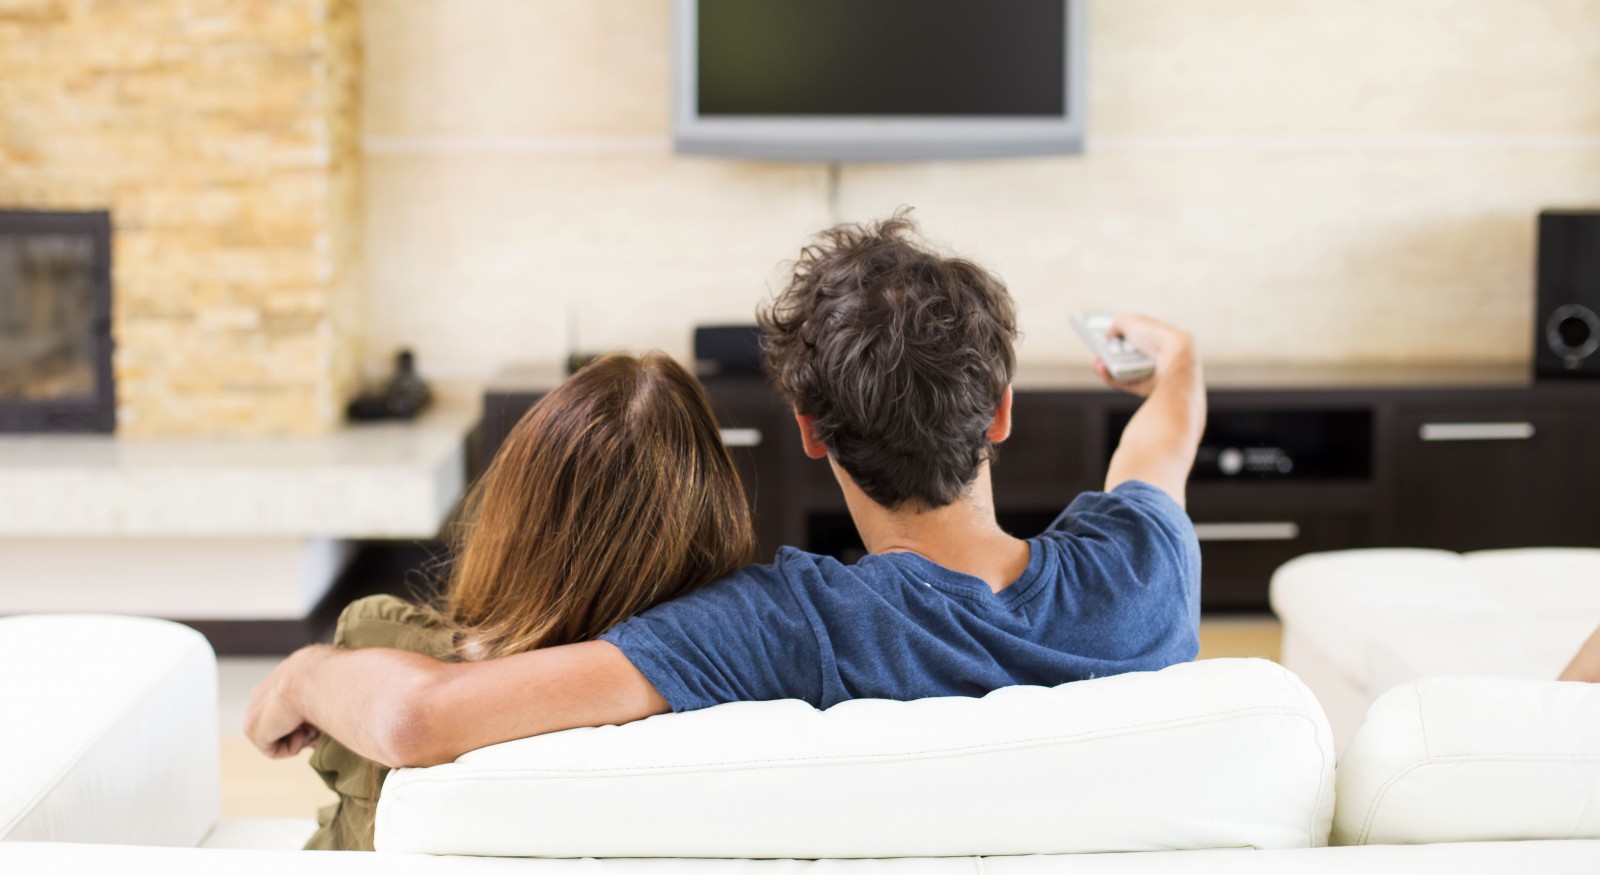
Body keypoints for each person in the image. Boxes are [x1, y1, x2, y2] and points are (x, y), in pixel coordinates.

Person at [247, 212, 1207, 769]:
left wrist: (304, 673)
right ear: (999, 412)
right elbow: (1159, 448)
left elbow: (423, 719)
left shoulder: (786, 625)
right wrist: (1177, 364)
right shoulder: (1145, 568)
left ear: (807, 429)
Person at [300, 351, 754, 849]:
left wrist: (301, 677)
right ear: (716, 507)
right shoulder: (745, 676)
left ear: (518, 506)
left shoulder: (382, 648)